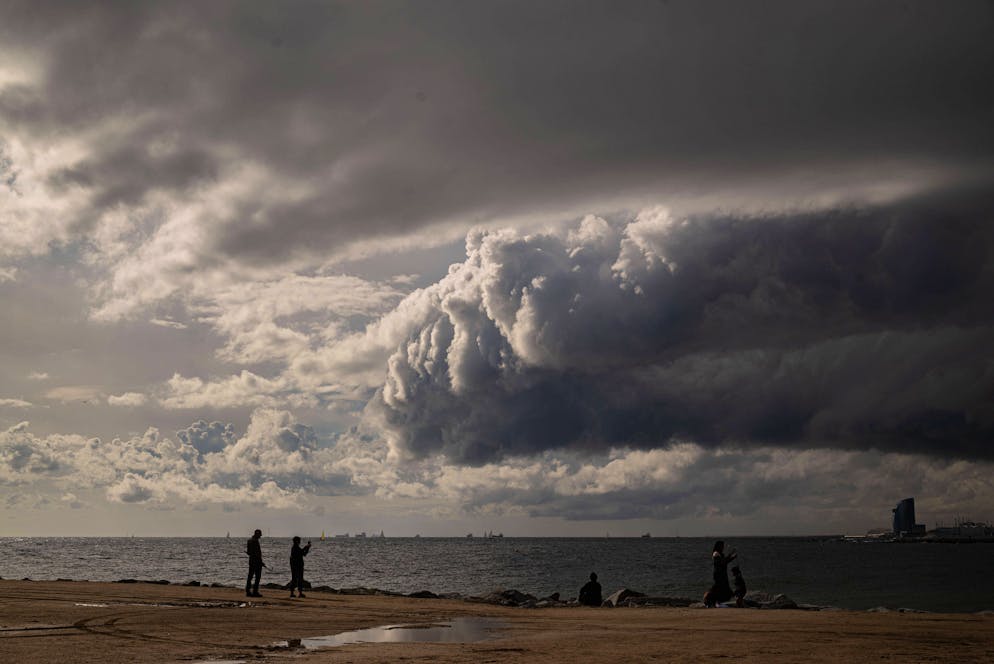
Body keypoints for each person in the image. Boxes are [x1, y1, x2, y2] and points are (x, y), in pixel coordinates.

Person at [704, 540, 736, 607]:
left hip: (723, 574)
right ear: (718, 546)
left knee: (722, 588)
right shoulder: (716, 554)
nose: (723, 547)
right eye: (721, 546)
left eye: (723, 546)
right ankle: (708, 599)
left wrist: (732, 557)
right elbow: (722, 562)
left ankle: (714, 601)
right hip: (719, 574)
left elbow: (725, 561)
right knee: (718, 588)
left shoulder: (720, 554)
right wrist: (730, 555)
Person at [246, 529, 265, 597]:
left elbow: (248, 552)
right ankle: (255, 592)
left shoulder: (249, 540)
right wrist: (261, 562)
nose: (260, 536)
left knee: (250, 576)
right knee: (257, 577)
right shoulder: (255, 541)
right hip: (256, 562)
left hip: (251, 561)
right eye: (260, 535)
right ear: (257, 534)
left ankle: (248, 591)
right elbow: (257, 553)